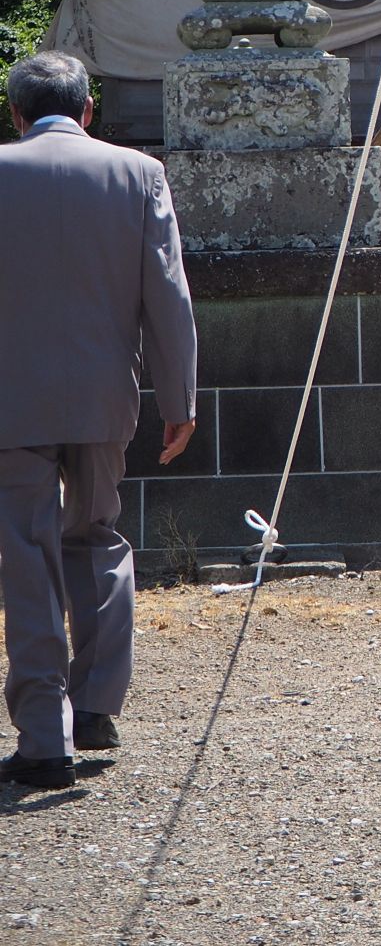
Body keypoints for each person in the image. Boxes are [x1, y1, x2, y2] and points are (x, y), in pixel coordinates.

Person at [0, 52, 197, 791]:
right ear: (89, 110)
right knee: (98, 537)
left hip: (11, 396)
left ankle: (42, 735)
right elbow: (167, 295)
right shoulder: (137, 174)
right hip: (104, 394)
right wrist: (179, 399)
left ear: (17, 114)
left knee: (25, 553)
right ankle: (98, 706)